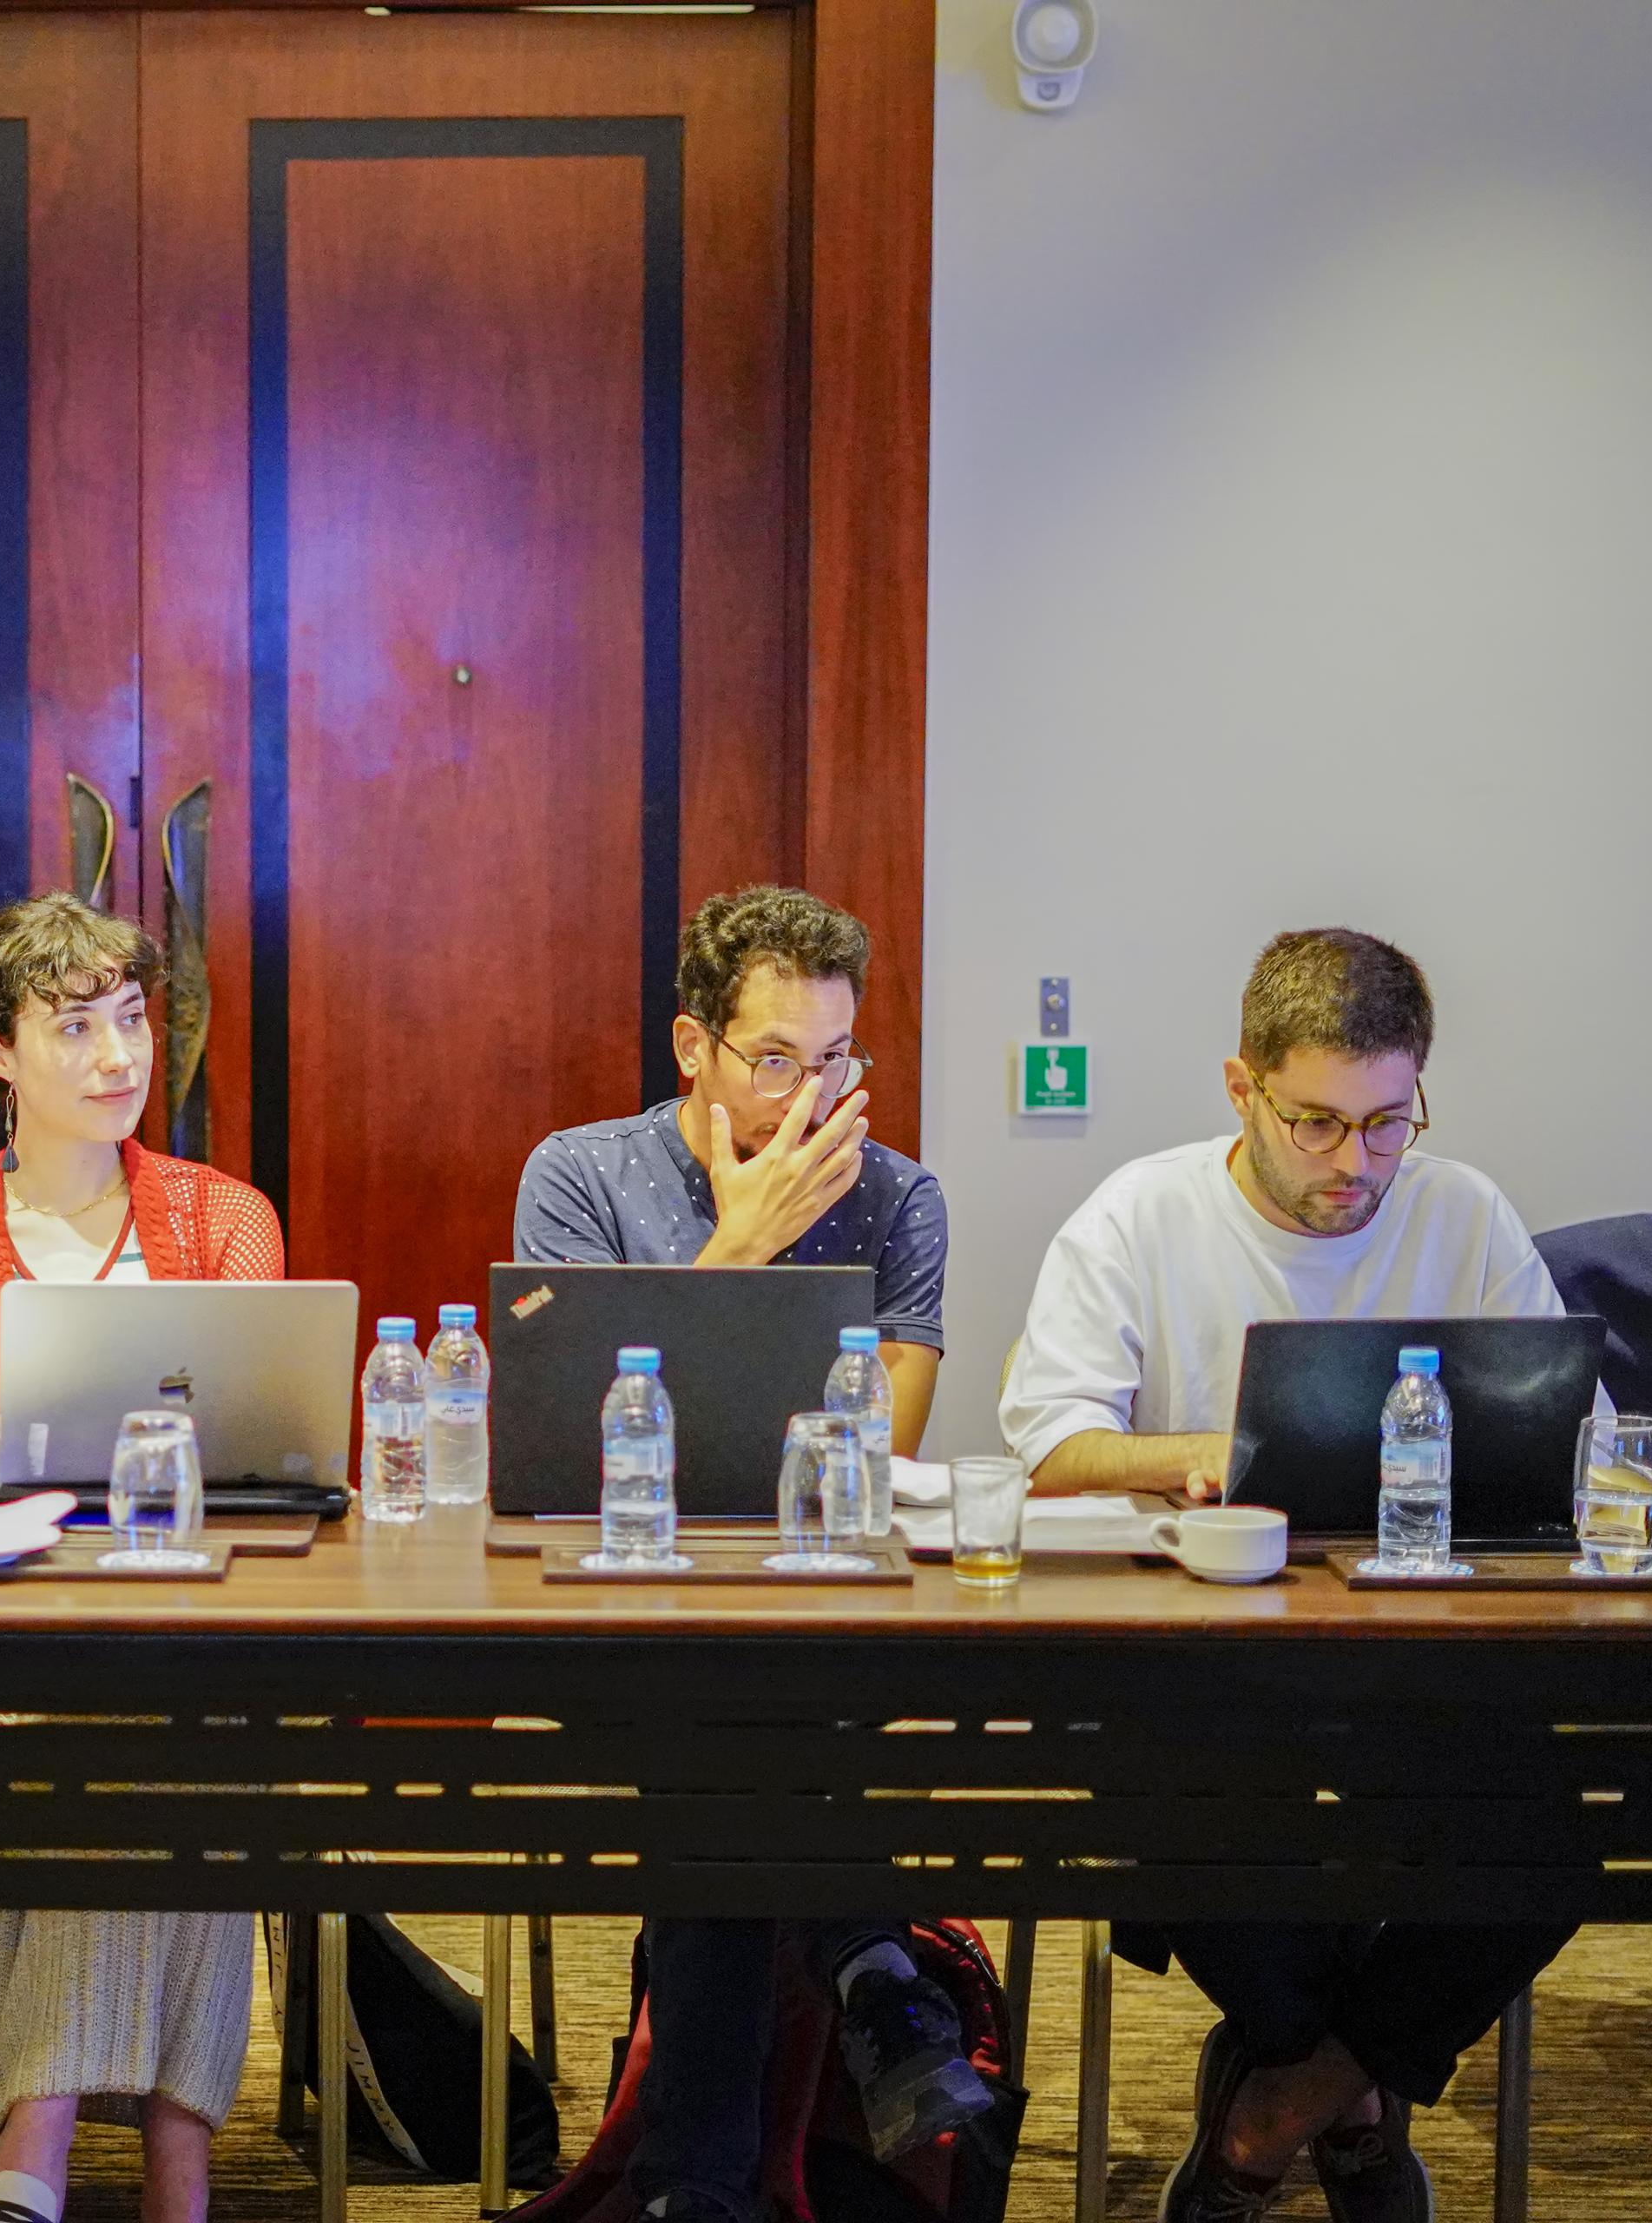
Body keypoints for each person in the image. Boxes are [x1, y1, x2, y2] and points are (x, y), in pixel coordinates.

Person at [999, 927, 1574, 2223]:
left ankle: (1279, 2103)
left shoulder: (1461, 1210)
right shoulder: (1141, 1215)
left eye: (1387, 1124)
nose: (1355, 1165)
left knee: (1570, 1814)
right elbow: (1045, 1445)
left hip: (1428, 1658)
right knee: (1174, 1791)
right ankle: (1355, 2110)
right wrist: (1196, 1452)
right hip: (1203, 1665)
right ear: (1238, 1087)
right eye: (1315, 1123)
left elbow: (1569, 1431)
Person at [513, 884, 977, 2221]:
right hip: (616, 1616)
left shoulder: (899, 1198)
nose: (808, 1095)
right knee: (726, 1726)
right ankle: (878, 1974)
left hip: (813, 1625)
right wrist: (745, 1246)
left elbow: (876, 1445)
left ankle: (692, 2190)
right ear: (692, 1048)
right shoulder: (583, 1175)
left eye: (837, 1060)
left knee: (728, 1751)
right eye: (774, 1059)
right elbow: (577, 1448)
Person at [0, 894, 278, 2223]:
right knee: (123, 1737)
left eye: (133, 1022)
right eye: (76, 1027)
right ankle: (177, 2159)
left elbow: (265, 1436)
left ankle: (31, 2152)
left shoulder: (224, 1220)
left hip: (190, 1621)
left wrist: (20, 1437)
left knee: (165, 1718)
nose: (119, 1057)